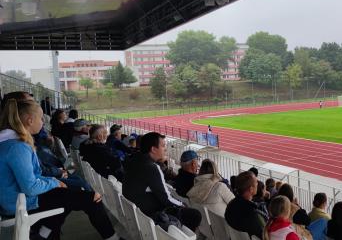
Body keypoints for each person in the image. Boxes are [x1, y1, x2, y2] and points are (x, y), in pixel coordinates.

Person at [0, 99, 121, 240]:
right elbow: (30, 187)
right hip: (21, 204)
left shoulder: (12, 143)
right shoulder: (17, 147)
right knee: (91, 198)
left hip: (18, 200)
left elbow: (34, 177)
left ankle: (45, 233)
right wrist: (55, 183)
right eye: (40, 118)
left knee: (70, 195)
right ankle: (113, 238)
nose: (43, 122)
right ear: (30, 120)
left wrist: (54, 181)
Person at [123, 132, 201, 231]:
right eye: (163, 146)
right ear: (153, 149)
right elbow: (166, 199)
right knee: (194, 215)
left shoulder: (135, 159)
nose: (165, 149)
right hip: (149, 215)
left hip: (136, 212)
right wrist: (182, 204)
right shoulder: (152, 167)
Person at [225, 171, 267, 238]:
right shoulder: (253, 214)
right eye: (256, 182)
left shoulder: (230, 205)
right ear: (251, 189)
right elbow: (264, 236)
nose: (257, 183)